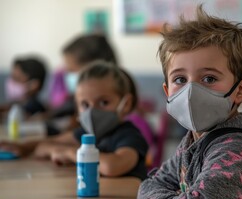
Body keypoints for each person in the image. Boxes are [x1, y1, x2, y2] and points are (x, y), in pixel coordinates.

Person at [129, 5, 242, 199]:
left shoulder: (237, 148)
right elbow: (150, 185)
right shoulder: (194, 140)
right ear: (167, 91)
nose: (191, 90)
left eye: (209, 78)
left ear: (240, 90)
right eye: (180, 79)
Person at [0, 61, 148, 180]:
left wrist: (70, 153)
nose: (92, 111)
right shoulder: (86, 133)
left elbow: (112, 166)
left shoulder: (130, 136)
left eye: (103, 102)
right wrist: (23, 148)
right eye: (85, 105)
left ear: (126, 104)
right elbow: (46, 145)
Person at [46, 34, 118, 134]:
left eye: (71, 70)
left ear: (95, 68)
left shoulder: (123, 120)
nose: (67, 75)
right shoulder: (78, 105)